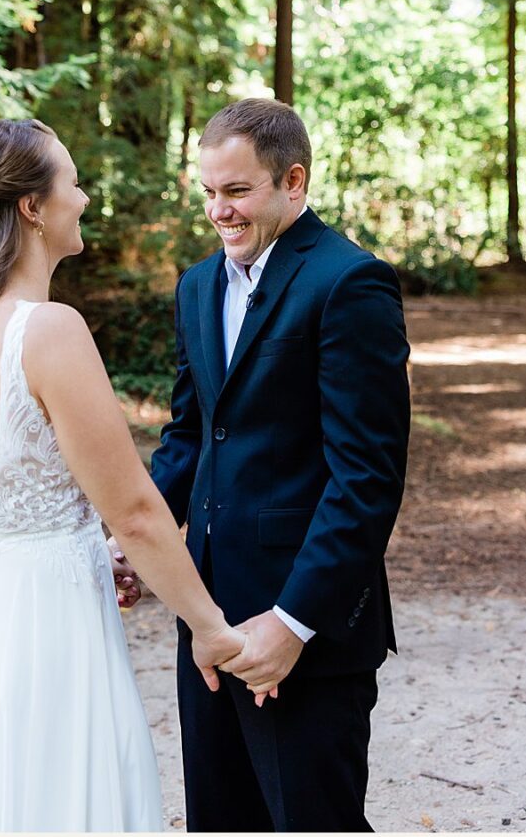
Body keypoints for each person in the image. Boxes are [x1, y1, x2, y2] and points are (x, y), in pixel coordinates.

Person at [0, 118, 248, 832]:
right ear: (32, 207)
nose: (85, 197)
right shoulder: (47, 330)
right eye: (72, 181)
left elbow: (9, 506)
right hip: (44, 619)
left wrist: (93, 549)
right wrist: (211, 629)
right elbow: (135, 509)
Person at [114, 98, 410, 832]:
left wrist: (293, 623)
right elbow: (190, 434)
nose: (220, 210)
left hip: (302, 625)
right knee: (220, 821)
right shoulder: (196, 286)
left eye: (237, 191)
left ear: (293, 183)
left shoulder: (349, 283)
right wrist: (139, 544)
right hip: (206, 613)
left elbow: (366, 479)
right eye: (209, 192)